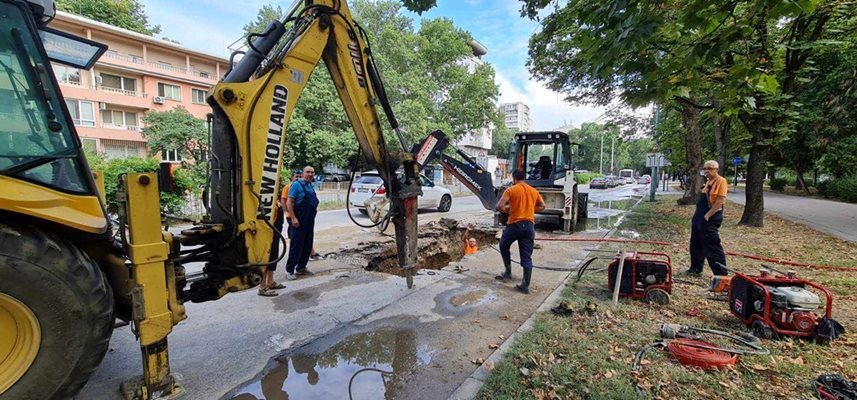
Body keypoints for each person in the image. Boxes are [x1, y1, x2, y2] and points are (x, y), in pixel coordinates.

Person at [495, 169, 546, 294]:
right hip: (529, 226)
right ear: (524, 178)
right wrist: (529, 208)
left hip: (514, 225)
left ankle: (507, 272)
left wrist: (509, 210)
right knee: (526, 256)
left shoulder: (511, 190)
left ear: (514, 178)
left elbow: (500, 206)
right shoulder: (533, 191)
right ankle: (525, 285)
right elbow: (543, 206)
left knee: (503, 245)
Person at [687, 160, 729, 276]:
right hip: (699, 217)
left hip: (710, 217)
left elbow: (720, 201)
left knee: (712, 246)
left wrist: (708, 215)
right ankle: (695, 268)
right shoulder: (707, 182)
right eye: (705, 168)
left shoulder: (721, 181)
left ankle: (721, 274)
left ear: (717, 170)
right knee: (695, 244)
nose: (706, 171)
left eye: (710, 168)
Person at [285, 166, 319, 280]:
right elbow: (289, 202)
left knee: (307, 243)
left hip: (309, 219)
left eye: (312, 172)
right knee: (296, 245)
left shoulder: (310, 186)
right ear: (303, 173)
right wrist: (293, 218)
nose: (310, 174)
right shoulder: (296, 185)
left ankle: (301, 267)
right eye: (307, 172)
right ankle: (290, 270)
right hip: (299, 219)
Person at [259, 177, 288, 296]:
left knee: (274, 254)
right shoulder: (265, 197)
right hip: (268, 230)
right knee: (268, 254)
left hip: (276, 229)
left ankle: (270, 281)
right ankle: (262, 286)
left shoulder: (276, 198)